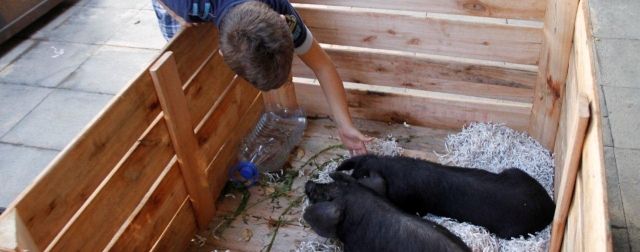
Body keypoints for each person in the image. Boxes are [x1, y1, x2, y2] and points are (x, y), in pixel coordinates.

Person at [151, 0, 372, 155]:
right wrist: (172, 9)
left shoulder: (279, 10)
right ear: (221, 54)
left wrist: (345, 125)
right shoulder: (189, 4)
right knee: (183, 46)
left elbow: (322, 65)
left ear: (282, 22)